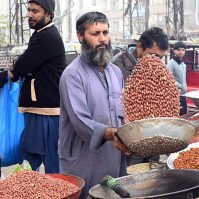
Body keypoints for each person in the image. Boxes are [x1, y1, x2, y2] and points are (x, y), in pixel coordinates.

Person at [58, 7, 129, 199]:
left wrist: (131, 133)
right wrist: (113, 134)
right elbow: (81, 122)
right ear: (80, 36)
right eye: (95, 34)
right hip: (83, 158)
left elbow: (121, 111)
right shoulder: (72, 75)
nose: (102, 39)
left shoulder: (115, 72)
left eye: (105, 33)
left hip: (114, 154)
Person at [8, 0, 66, 173]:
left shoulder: (47, 36)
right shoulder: (42, 33)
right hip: (41, 107)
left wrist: (11, 73)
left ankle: (57, 190)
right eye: (29, 10)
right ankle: (37, 187)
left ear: (48, 14)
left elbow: (23, 66)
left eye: (35, 11)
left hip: (46, 110)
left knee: (49, 159)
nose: (30, 15)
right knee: (31, 153)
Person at [112, 27, 169, 165]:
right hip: (130, 140)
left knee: (152, 175)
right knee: (131, 176)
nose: (157, 61)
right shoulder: (117, 67)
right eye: (153, 56)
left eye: (160, 58)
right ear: (139, 48)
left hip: (153, 136)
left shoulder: (158, 67)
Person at [167, 41, 187, 115]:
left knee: (184, 116)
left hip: (183, 95)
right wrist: (179, 85)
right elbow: (167, 79)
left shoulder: (182, 63)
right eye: (178, 50)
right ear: (174, 50)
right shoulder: (171, 64)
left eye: (183, 50)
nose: (181, 52)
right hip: (176, 95)